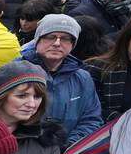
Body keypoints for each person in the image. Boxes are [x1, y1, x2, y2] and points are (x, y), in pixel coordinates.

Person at [19, 14, 102, 146]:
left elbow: (91, 120)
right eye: (50, 37)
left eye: (65, 38)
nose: (57, 43)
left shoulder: (83, 78)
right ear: (37, 40)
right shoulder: (14, 72)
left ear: (72, 45)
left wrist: (69, 145)